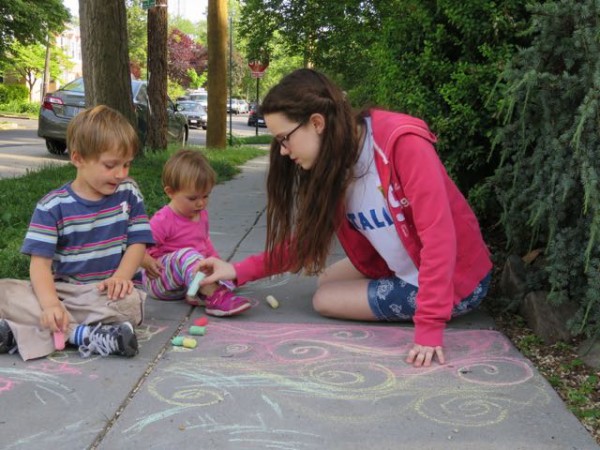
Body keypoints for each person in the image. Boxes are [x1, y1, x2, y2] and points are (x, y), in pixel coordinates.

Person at [198, 69, 492, 367]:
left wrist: (429, 328)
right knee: (326, 280)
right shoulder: (335, 164)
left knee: (324, 300)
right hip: (402, 260)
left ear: (316, 123)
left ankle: (422, 294)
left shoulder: (401, 144)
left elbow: (439, 238)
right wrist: (237, 270)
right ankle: (395, 279)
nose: (284, 152)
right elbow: (304, 244)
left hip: (459, 280)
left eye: (284, 139)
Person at [0, 105, 154, 361]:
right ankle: (82, 335)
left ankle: (20, 334)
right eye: (111, 165)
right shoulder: (52, 206)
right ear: (78, 158)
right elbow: (40, 266)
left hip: (106, 295)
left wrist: (121, 277)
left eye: (127, 164)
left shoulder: (128, 192)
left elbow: (138, 242)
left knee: (130, 305)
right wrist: (50, 304)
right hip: (64, 294)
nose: (121, 173)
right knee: (4, 291)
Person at [140, 149, 251, 317]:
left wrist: (220, 266)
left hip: (188, 282)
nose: (200, 203)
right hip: (159, 281)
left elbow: (205, 243)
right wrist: (146, 260)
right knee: (188, 255)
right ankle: (215, 296)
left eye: (206, 196)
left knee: (220, 272)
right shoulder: (163, 219)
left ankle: (201, 292)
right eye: (192, 198)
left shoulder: (201, 215)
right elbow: (137, 247)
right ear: (170, 192)